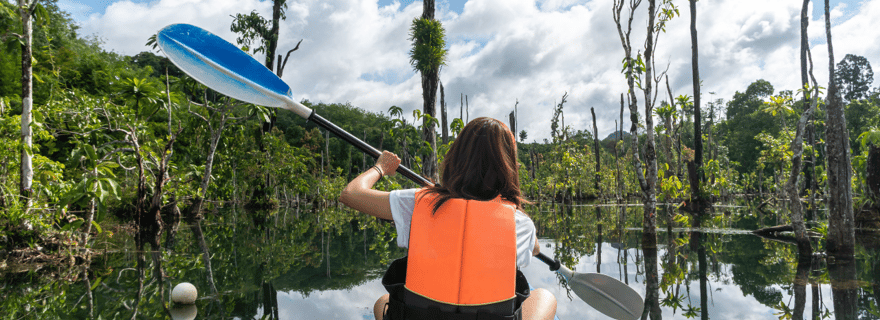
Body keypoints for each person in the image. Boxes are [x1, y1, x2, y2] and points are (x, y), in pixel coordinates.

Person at [340, 117, 556, 320]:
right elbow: (534, 248)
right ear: (508, 167)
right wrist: (530, 238)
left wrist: (381, 167)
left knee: (383, 301)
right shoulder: (520, 223)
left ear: (456, 158)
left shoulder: (417, 203)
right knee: (545, 297)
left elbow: (350, 194)